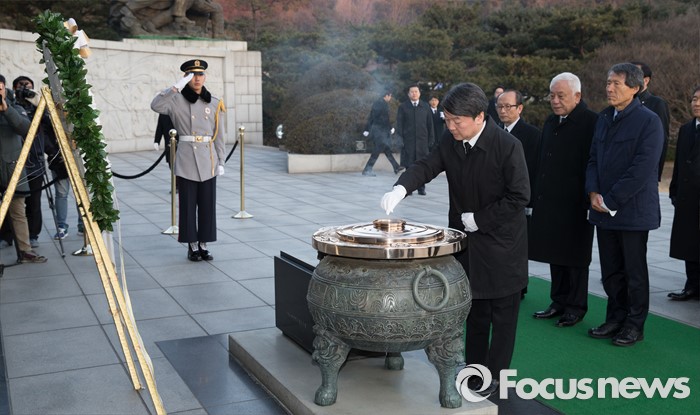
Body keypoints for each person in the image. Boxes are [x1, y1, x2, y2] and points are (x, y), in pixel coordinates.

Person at [381, 83, 529, 395]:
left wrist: (481, 219)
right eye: (447, 120)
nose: (450, 127)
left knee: (503, 316)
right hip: (468, 245)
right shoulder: (452, 141)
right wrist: (401, 187)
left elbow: (519, 196)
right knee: (473, 311)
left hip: (502, 246)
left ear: (479, 117)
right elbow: (427, 164)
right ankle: (474, 370)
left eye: (456, 121)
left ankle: (497, 376)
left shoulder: (507, 146)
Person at [585, 63, 663, 347]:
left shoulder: (649, 121)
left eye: (616, 83)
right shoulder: (605, 117)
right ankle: (615, 318)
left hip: (632, 211)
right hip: (602, 209)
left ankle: (634, 325)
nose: (609, 88)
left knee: (634, 272)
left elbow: (642, 168)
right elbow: (593, 158)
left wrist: (611, 200)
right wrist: (593, 192)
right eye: (608, 82)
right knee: (611, 270)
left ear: (635, 88)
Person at [530, 73, 597, 327]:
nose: (555, 101)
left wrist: (589, 196)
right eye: (552, 96)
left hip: (576, 203)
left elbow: (593, 163)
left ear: (577, 96)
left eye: (561, 96)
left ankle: (576, 307)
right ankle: (558, 300)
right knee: (555, 253)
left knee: (575, 257)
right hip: (550, 201)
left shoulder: (591, 122)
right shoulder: (551, 121)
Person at [151, 59, 226, 262]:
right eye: (192, 75)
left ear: (205, 77)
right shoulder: (175, 100)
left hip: (208, 159)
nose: (197, 79)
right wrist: (175, 87)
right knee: (188, 205)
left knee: (207, 205)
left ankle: (204, 244)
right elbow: (156, 105)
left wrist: (221, 161)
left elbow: (219, 135)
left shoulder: (214, 102)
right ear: (186, 77)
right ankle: (192, 245)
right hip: (186, 159)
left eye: (200, 74)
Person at [0, 74, 47, 263]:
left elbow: (26, 128)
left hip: (12, 169)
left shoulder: (14, 105)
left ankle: (26, 250)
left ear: (4, 89)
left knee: (18, 211)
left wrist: (6, 109)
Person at [667, 86, 700, 301]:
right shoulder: (686, 129)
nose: (696, 103)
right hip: (687, 195)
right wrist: (674, 190)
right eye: (694, 99)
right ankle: (692, 285)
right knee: (689, 242)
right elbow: (679, 162)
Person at [12, 76, 45, 248]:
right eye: (21, 87)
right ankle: (7, 236)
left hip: (35, 161)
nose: (25, 90)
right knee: (13, 201)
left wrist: (38, 104)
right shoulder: (10, 106)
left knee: (34, 202)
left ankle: (33, 235)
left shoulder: (37, 107)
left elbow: (49, 124)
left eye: (28, 87)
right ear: (13, 89)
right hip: (14, 162)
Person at [631, 61, 670, 181]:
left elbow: (662, 141)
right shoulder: (621, 104)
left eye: (633, 75)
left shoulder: (657, 104)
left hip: (645, 173)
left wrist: (655, 175)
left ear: (646, 80)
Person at [497, 89, 540, 197]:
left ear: (519, 108)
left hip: (518, 195)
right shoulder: (494, 132)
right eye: (499, 106)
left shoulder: (533, 134)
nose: (502, 111)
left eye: (508, 106)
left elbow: (532, 170)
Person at [395, 85, 434, 195]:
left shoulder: (425, 106)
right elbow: (399, 125)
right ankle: (409, 188)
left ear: (419, 93)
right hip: (409, 142)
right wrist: (400, 140)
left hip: (422, 142)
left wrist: (431, 140)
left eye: (416, 91)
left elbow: (430, 125)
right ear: (408, 94)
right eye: (412, 92)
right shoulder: (403, 107)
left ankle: (421, 188)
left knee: (421, 167)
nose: (414, 93)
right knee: (409, 166)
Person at [361, 90, 402, 176]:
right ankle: (367, 170)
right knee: (377, 151)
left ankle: (396, 167)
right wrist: (390, 128)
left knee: (387, 149)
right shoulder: (383, 104)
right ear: (386, 96)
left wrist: (367, 129)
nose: (390, 98)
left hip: (379, 131)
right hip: (380, 132)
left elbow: (371, 117)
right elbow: (384, 119)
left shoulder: (378, 103)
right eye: (390, 96)